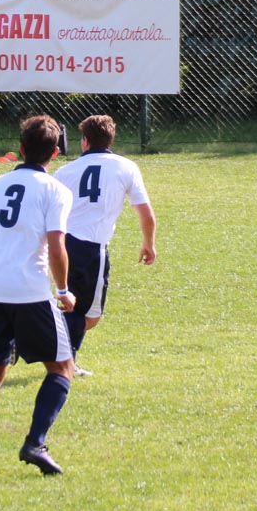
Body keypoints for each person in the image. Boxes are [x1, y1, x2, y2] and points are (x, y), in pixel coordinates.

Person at [0, 114, 76, 476]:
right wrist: (64, 291)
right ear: (54, 153)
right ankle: (34, 443)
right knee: (62, 368)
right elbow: (57, 247)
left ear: (21, 149)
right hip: (30, 290)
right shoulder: (56, 191)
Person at [53, 114, 157, 376]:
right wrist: (148, 243)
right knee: (88, 315)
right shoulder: (126, 167)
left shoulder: (65, 171)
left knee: (72, 307)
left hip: (61, 245)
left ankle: (60, 355)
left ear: (85, 141)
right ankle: (65, 361)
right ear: (111, 139)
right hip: (91, 248)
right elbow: (146, 213)